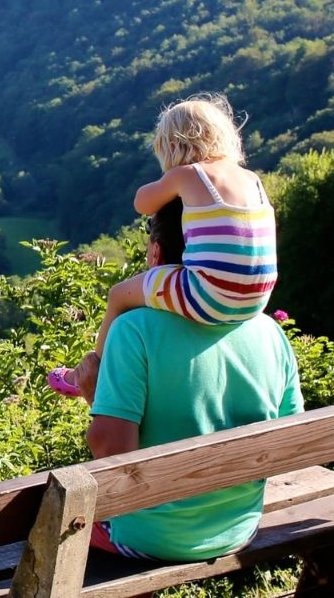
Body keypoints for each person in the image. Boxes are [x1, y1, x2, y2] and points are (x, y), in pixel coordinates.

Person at [79, 198, 303, 560]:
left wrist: (95, 395)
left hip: (144, 536)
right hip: (238, 528)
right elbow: (290, 436)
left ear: (155, 255)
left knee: (50, 519)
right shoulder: (269, 332)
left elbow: (112, 452)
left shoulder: (133, 330)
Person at [50, 93, 277, 401]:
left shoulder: (188, 175)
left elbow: (142, 202)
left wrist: (168, 182)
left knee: (119, 295)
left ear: (173, 145)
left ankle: (89, 374)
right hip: (256, 300)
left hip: (207, 294)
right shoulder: (253, 180)